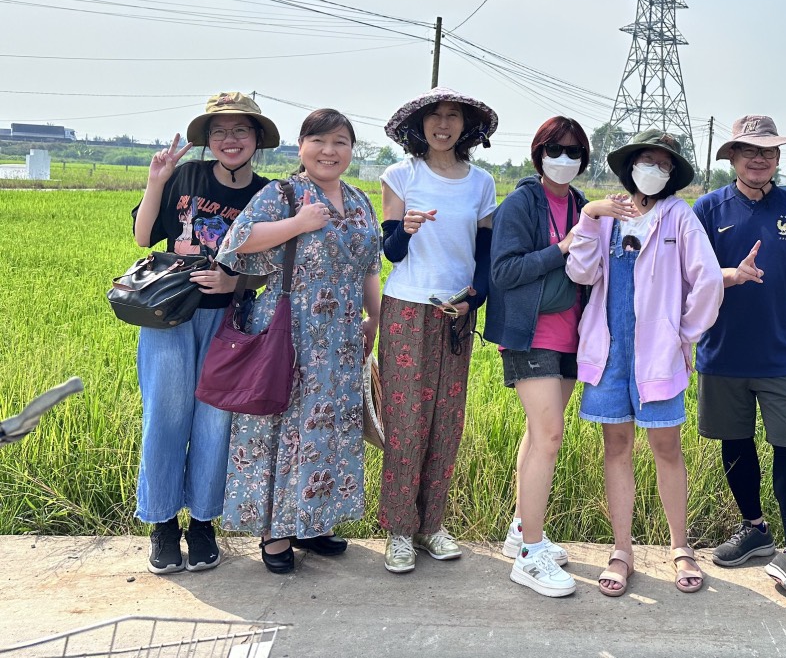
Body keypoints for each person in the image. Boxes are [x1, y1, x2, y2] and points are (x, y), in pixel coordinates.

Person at [215, 108, 381, 574]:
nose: (330, 151)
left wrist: (375, 318)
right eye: (320, 141)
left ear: (351, 150)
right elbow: (237, 240)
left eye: (341, 143)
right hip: (293, 329)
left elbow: (370, 266)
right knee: (284, 428)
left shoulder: (360, 200)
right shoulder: (283, 194)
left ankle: (315, 521)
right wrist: (297, 223)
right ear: (301, 146)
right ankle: (276, 531)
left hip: (344, 336)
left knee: (330, 428)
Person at [692, 115, 786, 608]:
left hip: (783, 355)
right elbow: (687, 274)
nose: (759, 159)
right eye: (748, 150)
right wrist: (732, 274)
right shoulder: (708, 208)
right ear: (732, 157)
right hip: (723, 349)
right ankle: (755, 529)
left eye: (768, 151)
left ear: (778, 159)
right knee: (735, 445)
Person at [566, 130, 723, 597]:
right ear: (630, 165)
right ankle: (622, 550)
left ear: (671, 174)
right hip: (611, 351)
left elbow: (708, 280)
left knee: (666, 448)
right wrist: (589, 217)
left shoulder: (679, 216)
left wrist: (684, 334)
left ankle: (680, 547)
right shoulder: (610, 213)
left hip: (658, 352)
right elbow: (581, 271)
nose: (652, 170)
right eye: (645, 161)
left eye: (663, 164)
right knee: (615, 446)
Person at [130, 91, 278, 575]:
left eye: (240, 130)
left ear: (256, 138)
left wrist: (235, 280)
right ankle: (162, 524)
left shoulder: (269, 194)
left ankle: (203, 524)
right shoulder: (185, 177)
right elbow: (141, 236)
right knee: (166, 416)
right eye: (219, 131)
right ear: (207, 139)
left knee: (215, 423)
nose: (229, 139)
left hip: (228, 323)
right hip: (168, 315)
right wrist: (156, 181)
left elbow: (273, 268)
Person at [378, 87, 498, 574]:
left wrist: (475, 299)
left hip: (457, 310)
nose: (443, 124)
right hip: (407, 305)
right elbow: (390, 252)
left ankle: (432, 526)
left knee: (446, 422)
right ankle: (400, 531)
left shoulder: (482, 183)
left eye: (453, 117)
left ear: (466, 127)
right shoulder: (401, 175)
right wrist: (404, 229)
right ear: (420, 125)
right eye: (435, 116)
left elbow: (485, 255)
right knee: (407, 422)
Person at [486, 116, 591, 597]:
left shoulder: (583, 205)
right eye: (556, 149)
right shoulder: (521, 203)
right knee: (549, 436)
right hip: (530, 334)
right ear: (539, 153)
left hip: (572, 335)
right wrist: (561, 248)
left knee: (538, 434)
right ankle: (529, 555)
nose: (564, 159)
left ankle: (520, 530)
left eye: (573, 152)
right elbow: (503, 272)